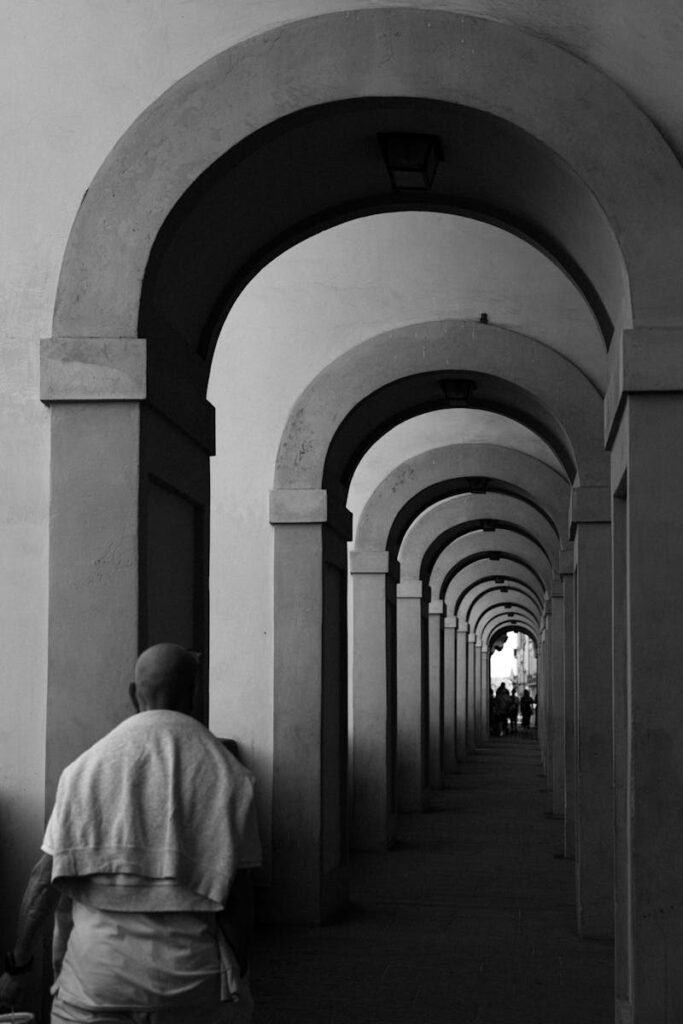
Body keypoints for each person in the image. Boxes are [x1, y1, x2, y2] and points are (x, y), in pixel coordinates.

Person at [0, 643, 261, 1023]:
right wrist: (235, 975)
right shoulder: (230, 776)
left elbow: (44, 881)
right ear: (195, 693)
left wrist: (17, 966)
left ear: (131, 694)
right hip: (192, 988)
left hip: (92, 988)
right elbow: (241, 899)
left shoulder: (84, 769)